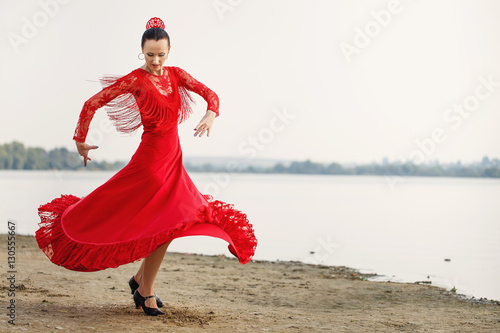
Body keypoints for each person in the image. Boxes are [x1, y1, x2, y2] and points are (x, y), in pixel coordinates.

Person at [36, 17, 257, 316]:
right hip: (151, 162)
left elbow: (211, 95)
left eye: (161, 54)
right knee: (164, 225)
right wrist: (80, 141)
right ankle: (145, 291)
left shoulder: (176, 75)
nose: (155, 60)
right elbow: (91, 104)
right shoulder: (134, 80)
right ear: (142, 51)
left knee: (174, 221)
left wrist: (211, 115)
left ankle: (141, 280)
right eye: (150, 54)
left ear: (169, 51)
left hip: (173, 160)